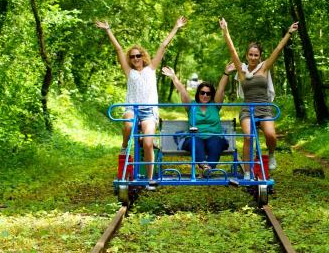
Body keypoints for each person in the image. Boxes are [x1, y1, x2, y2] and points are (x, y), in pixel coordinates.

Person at [96, 17, 187, 187]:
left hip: (149, 112)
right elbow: (118, 49)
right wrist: (108, 29)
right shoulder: (128, 71)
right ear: (130, 59)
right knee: (129, 125)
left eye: (138, 55)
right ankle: (125, 147)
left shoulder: (151, 69)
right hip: (132, 107)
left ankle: (150, 178)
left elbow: (163, 46)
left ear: (143, 56)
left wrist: (176, 26)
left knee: (147, 142)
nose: (136, 58)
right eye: (132, 56)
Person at [219, 18, 298, 176]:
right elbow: (232, 51)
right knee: (248, 136)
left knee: (271, 135)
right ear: (247, 55)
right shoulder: (242, 71)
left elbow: (278, 48)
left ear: (260, 56)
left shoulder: (264, 68)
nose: (253, 57)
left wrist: (289, 33)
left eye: (256, 55)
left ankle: (272, 154)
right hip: (248, 109)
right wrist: (226, 32)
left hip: (264, 108)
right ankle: (247, 171)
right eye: (250, 55)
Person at [161, 63, 235, 175]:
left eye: (208, 93)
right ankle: (205, 167)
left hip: (214, 136)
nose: (205, 95)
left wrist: (226, 73)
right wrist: (173, 77)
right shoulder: (191, 106)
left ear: (211, 95)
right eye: (202, 92)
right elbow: (183, 91)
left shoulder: (215, 105)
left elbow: (221, 89)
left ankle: (207, 168)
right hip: (195, 138)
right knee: (195, 141)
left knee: (215, 142)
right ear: (198, 93)